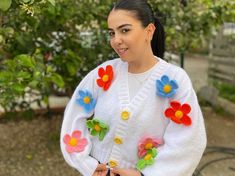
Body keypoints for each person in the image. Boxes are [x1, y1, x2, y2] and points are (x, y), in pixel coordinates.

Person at [60, 0, 207, 176]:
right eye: (112, 33)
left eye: (125, 30)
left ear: (149, 31)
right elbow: (74, 114)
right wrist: (86, 164)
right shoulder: (104, 73)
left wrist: (144, 174)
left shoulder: (175, 80)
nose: (116, 40)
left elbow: (188, 141)